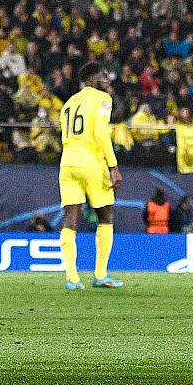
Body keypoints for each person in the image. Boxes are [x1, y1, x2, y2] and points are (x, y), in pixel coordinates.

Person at [57, 62, 123, 290]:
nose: (107, 80)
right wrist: (113, 166)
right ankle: (101, 275)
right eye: (104, 76)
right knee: (106, 217)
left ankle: (72, 278)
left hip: (67, 162)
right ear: (93, 78)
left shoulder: (68, 103)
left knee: (70, 220)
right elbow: (100, 133)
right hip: (91, 163)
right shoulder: (102, 99)